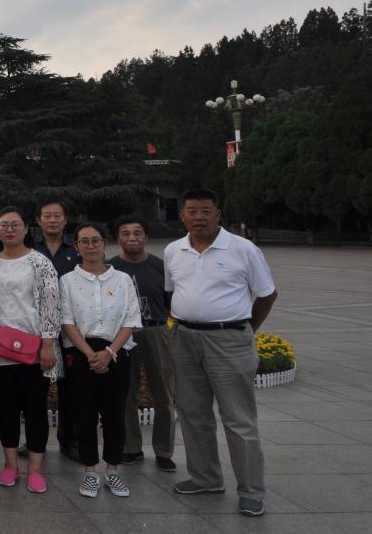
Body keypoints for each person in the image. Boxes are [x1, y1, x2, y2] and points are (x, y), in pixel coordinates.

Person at [165, 188, 277, 517]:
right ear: (182, 216)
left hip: (229, 339)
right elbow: (173, 292)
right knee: (192, 412)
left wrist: (245, 329)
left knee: (238, 417)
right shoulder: (174, 250)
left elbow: (267, 294)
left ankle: (251, 490)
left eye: (206, 211)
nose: (198, 217)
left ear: (218, 214)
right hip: (185, 338)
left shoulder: (243, 249)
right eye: (192, 211)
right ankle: (206, 477)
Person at [60, 222, 142, 500]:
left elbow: (131, 319)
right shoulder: (67, 280)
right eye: (84, 241)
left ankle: (113, 469)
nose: (91, 246)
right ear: (77, 246)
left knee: (114, 414)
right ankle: (89, 471)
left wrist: (109, 352)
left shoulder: (122, 279)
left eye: (95, 240)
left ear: (105, 243)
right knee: (84, 414)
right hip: (81, 352)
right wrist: (89, 354)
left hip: (116, 351)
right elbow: (67, 322)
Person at [0, 207, 60, 494]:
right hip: (0, 348)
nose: (9, 229)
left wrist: (48, 343)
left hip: (34, 347)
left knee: (35, 407)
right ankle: (10, 465)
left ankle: (36, 470)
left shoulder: (39, 263)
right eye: (4, 225)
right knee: (7, 408)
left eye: (15, 224)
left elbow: (51, 304)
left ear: (26, 228)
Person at [110, 215, 177, 472]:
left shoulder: (160, 267)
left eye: (137, 233)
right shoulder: (111, 268)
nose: (132, 238)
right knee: (125, 393)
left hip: (155, 331)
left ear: (146, 237)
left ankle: (164, 450)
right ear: (118, 239)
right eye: (125, 233)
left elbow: (172, 302)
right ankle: (131, 447)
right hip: (122, 335)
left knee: (164, 393)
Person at [33, 198, 81, 460]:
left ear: (65, 220)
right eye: (47, 216)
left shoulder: (76, 250)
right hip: (37, 326)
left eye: (57, 216)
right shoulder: (30, 249)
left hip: (71, 326)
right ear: (38, 220)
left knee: (70, 387)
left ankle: (68, 439)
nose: (52, 220)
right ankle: (34, 440)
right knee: (35, 387)